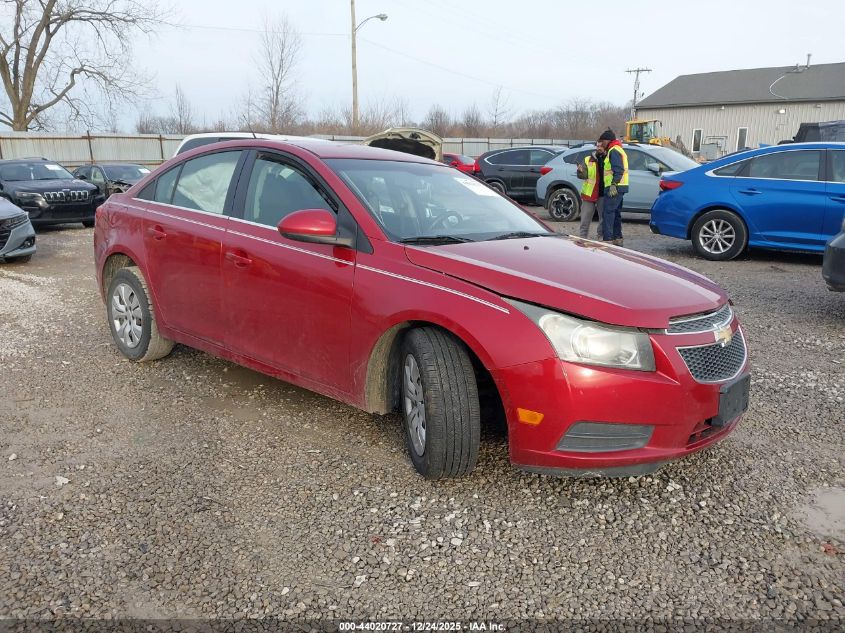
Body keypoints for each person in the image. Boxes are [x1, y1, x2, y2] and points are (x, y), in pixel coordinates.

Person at [596, 129, 629, 246]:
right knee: (616, 213)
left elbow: (618, 170)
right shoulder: (617, 149)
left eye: (602, 141)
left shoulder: (613, 150)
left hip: (614, 188)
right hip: (621, 187)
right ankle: (617, 237)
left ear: (608, 140)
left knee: (608, 213)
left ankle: (608, 239)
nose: (601, 143)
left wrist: (614, 184)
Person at [575, 146, 605, 240]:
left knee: (603, 218)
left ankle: (601, 236)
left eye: (601, 146)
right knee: (585, 218)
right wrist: (580, 171)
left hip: (603, 193)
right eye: (598, 146)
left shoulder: (608, 159)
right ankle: (583, 238)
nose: (599, 148)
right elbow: (584, 176)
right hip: (589, 194)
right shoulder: (588, 159)